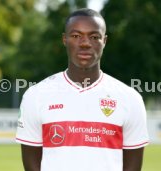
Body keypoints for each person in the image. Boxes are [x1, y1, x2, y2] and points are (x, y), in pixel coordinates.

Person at [16, 8, 149, 171]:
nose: (85, 43)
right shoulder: (36, 96)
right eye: (76, 36)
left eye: (94, 37)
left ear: (104, 41)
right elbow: (31, 165)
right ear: (65, 39)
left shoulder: (130, 98)